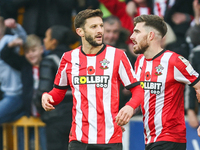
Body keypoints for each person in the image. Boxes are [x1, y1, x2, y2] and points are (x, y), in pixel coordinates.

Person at [41, 9, 144, 150]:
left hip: (110, 139)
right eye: (94, 27)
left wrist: (130, 106)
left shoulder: (117, 55)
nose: (100, 30)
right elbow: (58, 92)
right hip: (79, 139)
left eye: (101, 26)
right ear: (80, 32)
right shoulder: (68, 58)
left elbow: (138, 89)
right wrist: (47, 96)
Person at [116, 14, 200, 150]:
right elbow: (141, 95)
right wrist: (127, 112)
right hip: (150, 138)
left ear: (150, 36)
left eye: (137, 32)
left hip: (170, 138)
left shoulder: (174, 61)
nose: (131, 37)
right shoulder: (140, 61)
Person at [34, 25, 77, 150]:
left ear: (54, 42)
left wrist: (40, 108)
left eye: (47, 37)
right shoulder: (78, 59)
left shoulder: (48, 60)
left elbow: (43, 90)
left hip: (55, 118)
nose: (44, 40)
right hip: (77, 116)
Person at [1, 34, 47, 150]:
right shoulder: (25, 65)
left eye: (33, 50)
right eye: (27, 52)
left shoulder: (48, 63)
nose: (30, 54)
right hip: (29, 111)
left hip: (45, 116)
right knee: (23, 143)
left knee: (44, 145)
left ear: (41, 49)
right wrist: (12, 44)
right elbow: (4, 55)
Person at [0, 17, 26, 150]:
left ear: (3, 27)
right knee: (18, 127)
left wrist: (15, 26)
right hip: (5, 93)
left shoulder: (8, 40)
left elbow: (24, 38)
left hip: (16, 93)